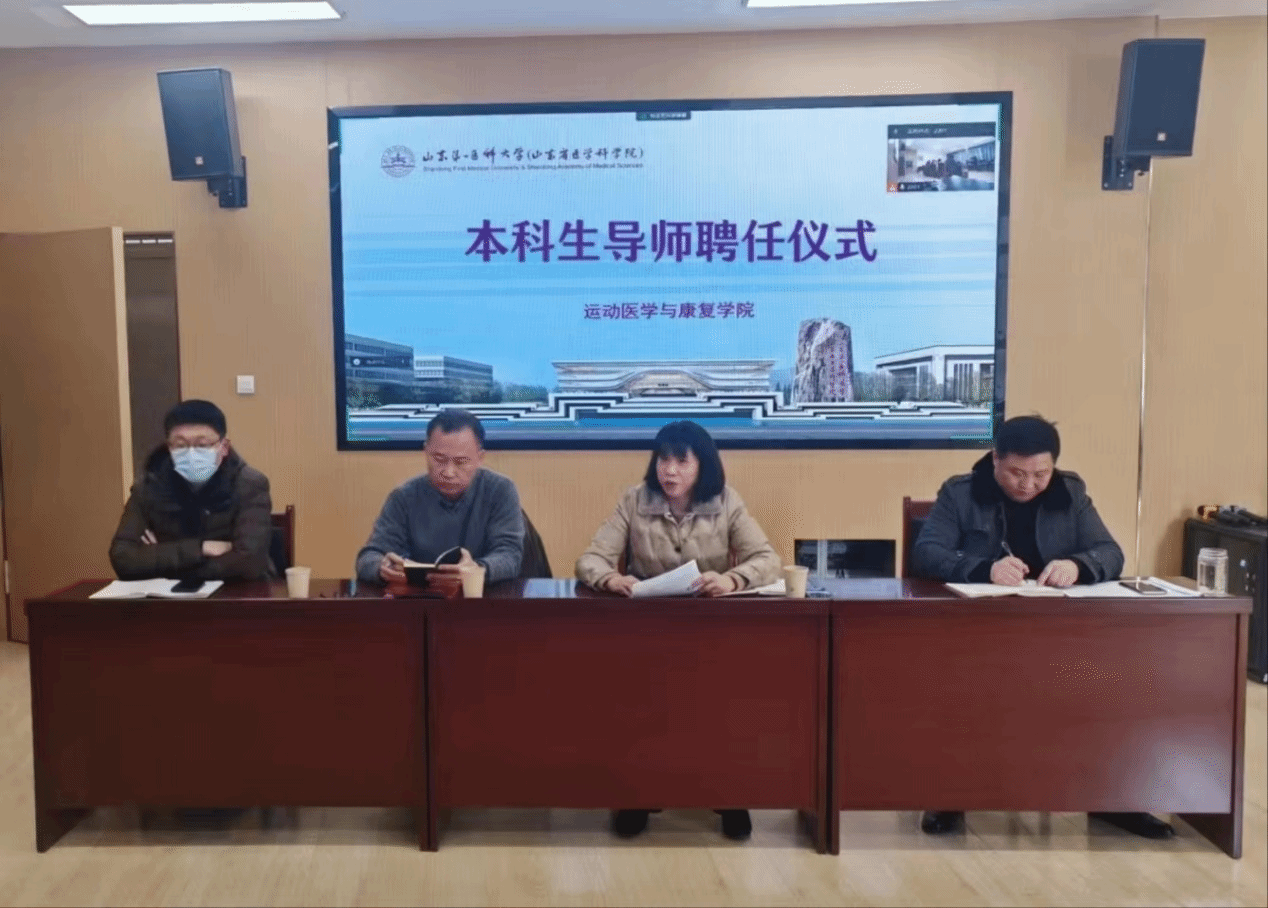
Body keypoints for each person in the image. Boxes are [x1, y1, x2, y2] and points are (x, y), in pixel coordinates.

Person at [912, 414, 1173, 841]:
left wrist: (1078, 565)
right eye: (1017, 473)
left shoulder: (1070, 492)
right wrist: (984, 568)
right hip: (980, 633)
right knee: (966, 684)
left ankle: (1111, 798)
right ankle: (950, 794)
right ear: (995, 460)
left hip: (1058, 634)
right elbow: (927, 552)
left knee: (1116, 679)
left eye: (1041, 474)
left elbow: (1110, 552)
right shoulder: (960, 493)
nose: (1029, 484)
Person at [575, 420, 781, 841]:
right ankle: (637, 796)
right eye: (663, 460)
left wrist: (732, 580)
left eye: (681, 462)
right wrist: (611, 579)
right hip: (646, 632)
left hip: (710, 632)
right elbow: (590, 560)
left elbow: (767, 559)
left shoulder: (726, 502)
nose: (669, 470)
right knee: (639, 706)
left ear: (702, 465)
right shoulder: (634, 500)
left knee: (721, 706)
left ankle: (729, 796)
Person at [109, 399, 273, 581]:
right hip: (166, 595)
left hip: (237, 593)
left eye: (202, 445)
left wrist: (160, 559)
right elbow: (122, 558)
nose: (191, 453)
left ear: (224, 447)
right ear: (169, 448)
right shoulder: (149, 487)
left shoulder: (250, 484)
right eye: (180, 445)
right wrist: (202, 548)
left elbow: (249, 563)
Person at [356, 408, 523, 585]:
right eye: (439, 459)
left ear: (480, 458)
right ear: (425, 451)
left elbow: (510, 556)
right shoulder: (404, 497)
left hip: (482, 597)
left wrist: (476, 570)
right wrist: (382, 567)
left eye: (461, 462)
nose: (449, 472)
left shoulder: (500, 491)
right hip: (419, 597)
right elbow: (369, 557)